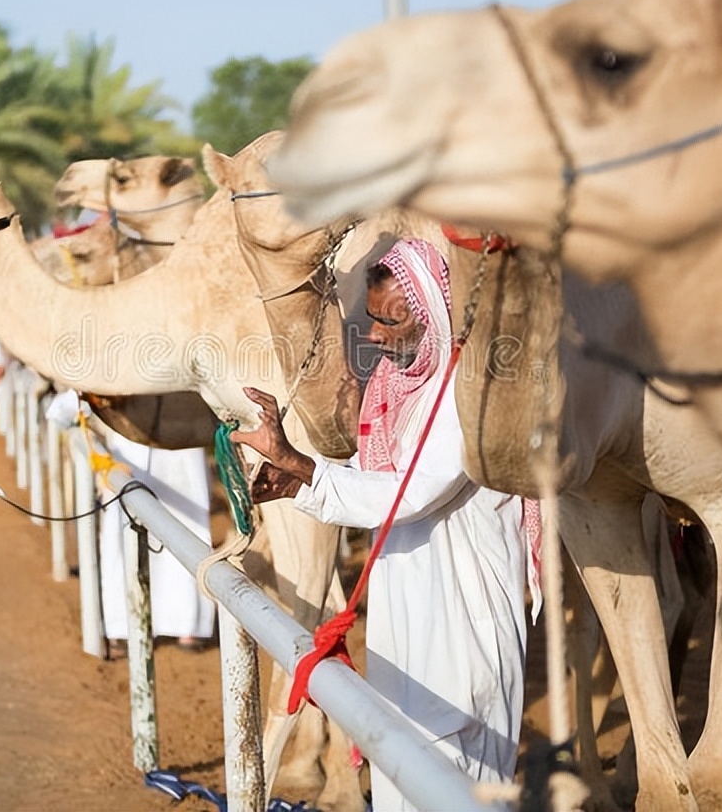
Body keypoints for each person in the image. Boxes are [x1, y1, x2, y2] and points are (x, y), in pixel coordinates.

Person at [231, 238, 539, 811]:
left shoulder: (465, 389)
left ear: (433, 313)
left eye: (390, 320)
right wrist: (301, 477)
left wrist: (303, 467)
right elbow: (384, 479)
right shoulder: (401, 387)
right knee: (400, 770)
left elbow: (413, 490)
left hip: (461, 628)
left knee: (456, 785)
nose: (373, 335)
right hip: (407, 621)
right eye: (370, 319)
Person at [45, 391, 216, 655]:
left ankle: (130, 627)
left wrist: (70, 403)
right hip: (170, 436)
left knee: (151, 528)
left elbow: (72, 403)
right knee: (178, 525)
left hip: (157, 438)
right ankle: (183, 626)